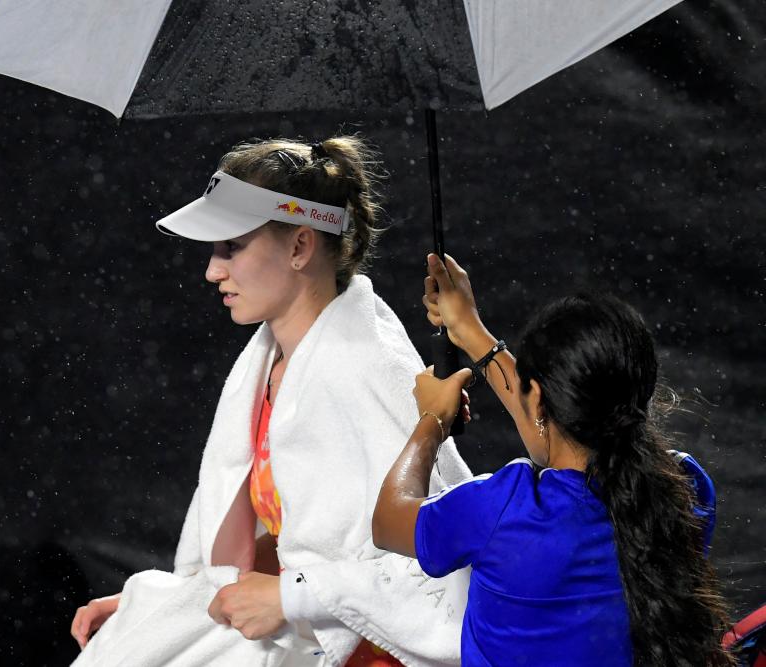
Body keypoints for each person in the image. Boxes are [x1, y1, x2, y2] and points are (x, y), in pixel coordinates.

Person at [69, 137, 473, 667]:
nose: (213, 271)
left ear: (300, 247)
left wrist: (292, 597)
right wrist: (163, 609)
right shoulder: (263, 369)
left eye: (231, 246)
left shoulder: (365, 368)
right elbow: (290, 545)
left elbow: (436, 563)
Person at [372, 253, 734, 666]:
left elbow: (387, 520)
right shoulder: (684, 486)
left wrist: (433, 420)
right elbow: (563, 436)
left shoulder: (500, 509)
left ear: (539, 399)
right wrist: (470, 330)